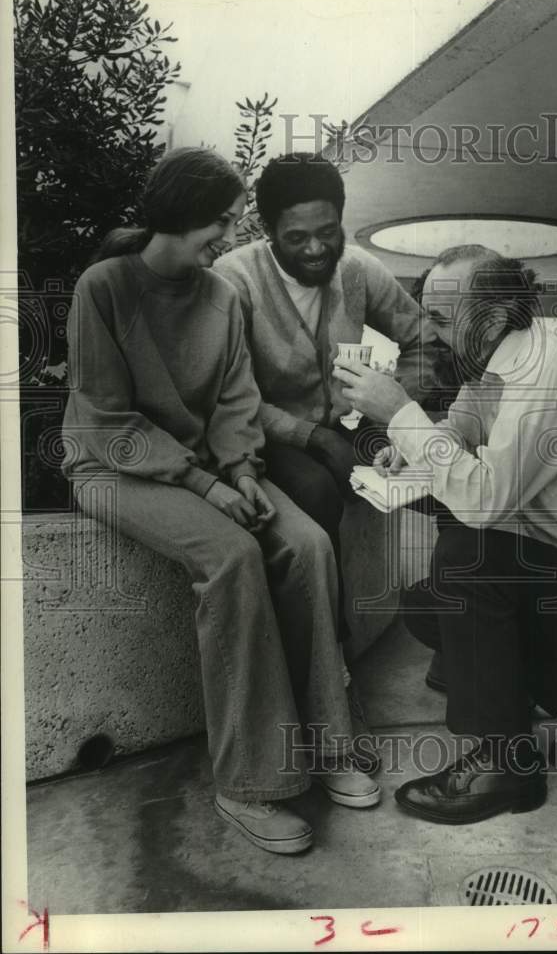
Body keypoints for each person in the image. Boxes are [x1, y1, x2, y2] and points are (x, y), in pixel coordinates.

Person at [61, 147, 380, 855]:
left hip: (206, 467)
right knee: (233, 556)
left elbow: (236, 402)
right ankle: (248, 784)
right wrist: (206, 483)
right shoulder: (104, 287)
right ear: (182, 215)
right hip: (114, 468)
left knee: (307, 544)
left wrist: (241, 471)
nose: (231, 237)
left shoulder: (219, 297)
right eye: (224, 222)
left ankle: (329, 744)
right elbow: (107, 420)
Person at [332, 244, 557, 825]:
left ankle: (506, 767)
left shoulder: (545, 374)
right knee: (430, 609)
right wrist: (409, 449)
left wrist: (400, 413)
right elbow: (462, 428)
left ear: (494, 316)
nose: (433, 333)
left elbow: (482, 502)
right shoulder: (492, 363)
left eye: (443, 319)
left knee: (468, 556)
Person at [214, 152, 441, 741]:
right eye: (297, 238)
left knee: (441, 474)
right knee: (317, 491)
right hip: (269, 433)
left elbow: (425, 342)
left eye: (328, 231)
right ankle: (334, 672)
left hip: (349, 424)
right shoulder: (233, 280)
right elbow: (228, 395)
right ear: (268, 231)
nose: (316, 249)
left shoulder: (360, 268)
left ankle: (459, 629)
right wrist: (310, 436)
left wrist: (389, 405)